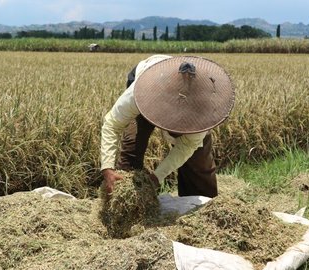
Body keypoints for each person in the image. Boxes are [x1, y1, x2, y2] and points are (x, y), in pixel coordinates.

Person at [100, 54, 235, 198]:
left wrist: (157, 177)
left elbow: (187, 146)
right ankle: (122, 202)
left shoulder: (204, 108)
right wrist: (107, 168)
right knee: (132, 147)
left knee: (199, 157)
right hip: (148, 82)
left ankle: (200, 205)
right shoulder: (140, 92)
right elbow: (112, 124)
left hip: (189, 104)